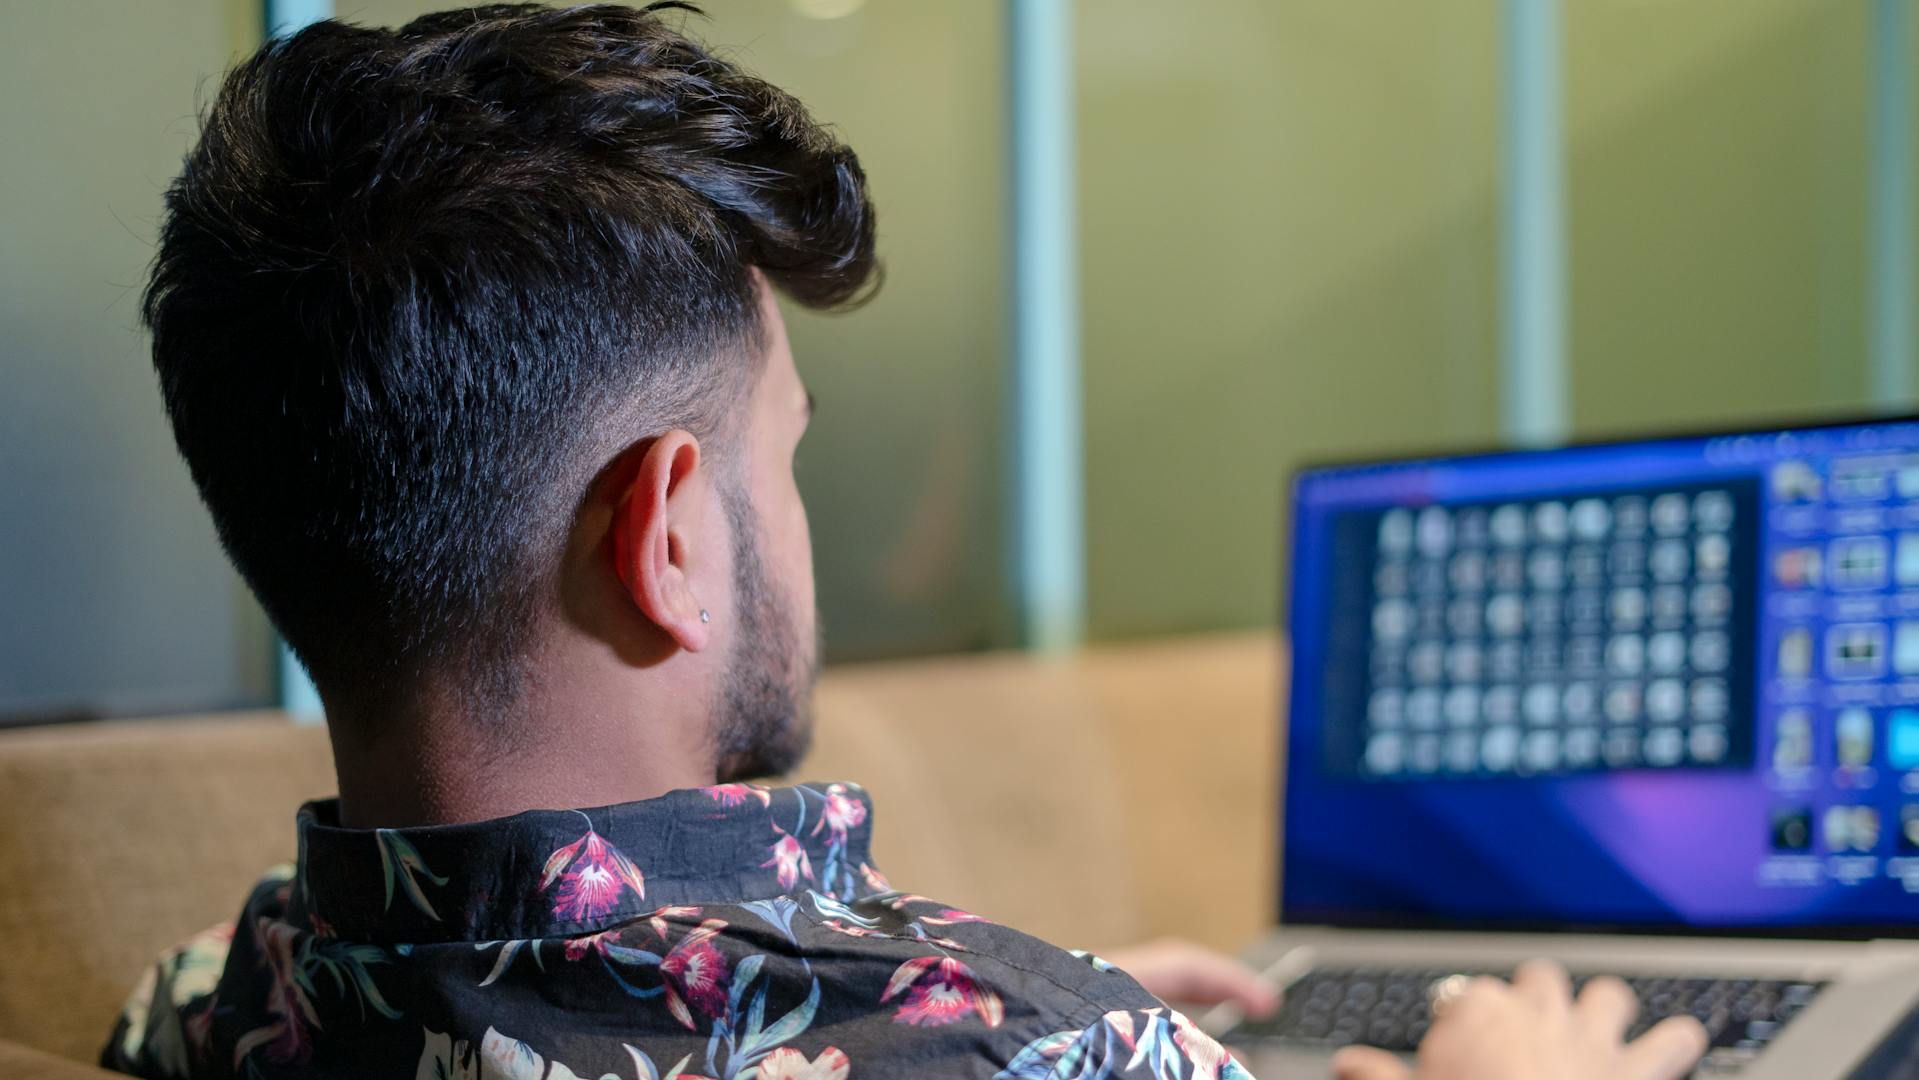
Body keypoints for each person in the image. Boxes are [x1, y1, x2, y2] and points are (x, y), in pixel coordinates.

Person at [101, 4, 1708, 1078]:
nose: (799, 525)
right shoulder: (1038, 1047)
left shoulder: (218, 1003)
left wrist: (931, 984)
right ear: (665, 539)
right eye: (786, 458)